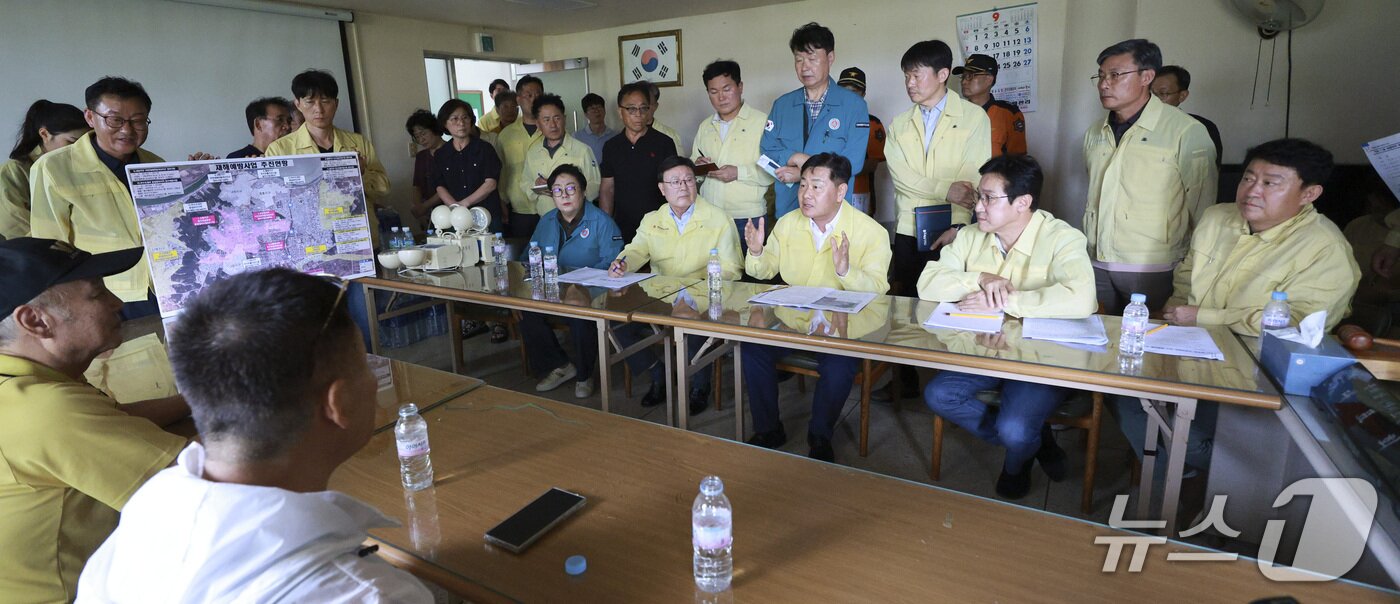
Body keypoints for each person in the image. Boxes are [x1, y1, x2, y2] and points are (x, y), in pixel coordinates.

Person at [77, 268, 432, 602]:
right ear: (337, 403)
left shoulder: (153, 502)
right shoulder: (369, 594)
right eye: (365, 366)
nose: (372, 381)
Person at [1118, 139, 1358, 514]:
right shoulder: (1218, 218)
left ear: (1309, 193)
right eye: (1249, 178)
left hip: (1254, 370)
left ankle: (1195, 479)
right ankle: (1184, 479)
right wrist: (1178, 305)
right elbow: (1185, 278)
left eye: (1271, 183)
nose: (1252, 191)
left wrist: (1205, 316)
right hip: (1187, 349)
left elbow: (1298, 324)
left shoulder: (1326, 250)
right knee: (1129, 394)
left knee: (1190, 426)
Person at [0, 237, 188, 602]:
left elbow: (113, 420)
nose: (117, 303)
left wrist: (195, 399)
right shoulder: (47, 410)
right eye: (97, 293)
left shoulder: (21, 385)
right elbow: (206, 490)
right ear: (35, 320)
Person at [918, 155, 1095, 499]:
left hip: (1040, 359)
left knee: (1014, 428)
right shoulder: (970, 236)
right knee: (939, 395)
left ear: (1023, 202)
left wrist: (1002, 301)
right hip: (982, 350)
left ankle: (1016, 462)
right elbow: (927, 284)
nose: (978, 206)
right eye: (978, 197)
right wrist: (981, 278)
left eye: (988, 198)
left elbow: (1082, 298)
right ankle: (1036, 442)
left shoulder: (1062, 238)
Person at [741, 153, 891, 462]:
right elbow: (764, 270)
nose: (806, 194)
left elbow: (878, 291)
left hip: (842, 328)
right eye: (803, 185)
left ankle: (820, 434)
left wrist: (845, 271)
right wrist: (756, 250)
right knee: (752, 345)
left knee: (840, 364)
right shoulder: (787, 223)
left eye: (816, 186)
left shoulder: (870, 232)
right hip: (792, 321)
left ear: (840, 192)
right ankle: (769, 428)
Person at [1083, 39, 1218, 314]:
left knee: (1147, 347)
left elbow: (1204, 210)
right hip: (1097, 260)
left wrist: (1190, 273)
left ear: (1147, 76)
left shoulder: (1185, 131)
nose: (1104, 84)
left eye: (1115, 75)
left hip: (1152, 267)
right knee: (1095, 345)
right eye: (1101, 75)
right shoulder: (1095, 131)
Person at [609, 156, 743, 412]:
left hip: (704, 296)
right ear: (662, 189)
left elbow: (732, 268)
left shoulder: (718, 218)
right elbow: (636, 249)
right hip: (661, 297)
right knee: (617, 323)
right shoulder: (652, 219)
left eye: (688, 180)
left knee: (692, 324)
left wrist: (697, 294)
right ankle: (657, 372)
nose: (683, 187)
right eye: (675, 182)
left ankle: (699, 386)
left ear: (696, 183)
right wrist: (623, 263)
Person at [29, 77, 166, 319]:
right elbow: (48, 242)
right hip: (103, 294)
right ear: (90, 117)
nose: (127, 130)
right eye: (115, 120)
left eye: (138, 121)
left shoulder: (156, 164)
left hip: (161, 289)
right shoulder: (53, 168)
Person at [516, 165, 634, 398]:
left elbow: (613, 261)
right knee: (526, 309)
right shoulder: (547, 220)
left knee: (580, 311)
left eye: (571, 188)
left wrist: (582, 282)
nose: (565, 195)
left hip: (594, 290)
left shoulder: (601, 221)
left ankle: (584, 374)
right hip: (554, 289)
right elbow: (528, 256)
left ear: (583, 191)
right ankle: (560, 366)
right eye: (558, 191)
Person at [885, 39, 992, 298]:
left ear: (942, 75)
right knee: (907, 304)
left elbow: (971, 177)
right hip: (908, 229)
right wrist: (944, 189)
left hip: (951, 228)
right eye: (906, 76)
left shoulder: (974, 117)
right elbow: (901, 177)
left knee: (949, 304)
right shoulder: (899, 124)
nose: (909, 83)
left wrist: (959, 226)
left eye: (916, 75)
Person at [760, 22, 870, 218]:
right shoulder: (782, 105)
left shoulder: (854, 106)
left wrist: (803, 173)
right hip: (788, 210)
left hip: (832, 214)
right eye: (799, 60)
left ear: (830, 57)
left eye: (811, 58)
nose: (805, 67)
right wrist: (794, 157)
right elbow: (767, 151)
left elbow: (853, 162)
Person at [265, 69, 390, 227]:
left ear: (336, 103)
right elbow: (274, 201)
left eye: (325, 101)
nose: (319, 109)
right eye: (310, 102)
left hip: (358, 236)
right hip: (312, 241)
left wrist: (361, 173)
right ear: (298, 104)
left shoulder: (358, 142)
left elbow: (383, 188)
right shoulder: (280, 149)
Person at [692, 60, 774, 251]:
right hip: (709, 216)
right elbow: (692, 169)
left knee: (751, 275)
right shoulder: (705, 126)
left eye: (727, 89)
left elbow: (773, 171)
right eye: (713, 92)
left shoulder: (761, 122)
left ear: (740, 87)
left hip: (747, 218)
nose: (721, 97)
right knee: (713, 274)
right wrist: (697, 166)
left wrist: (738, 173)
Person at [600, 82, 677, 241]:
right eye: (631, 109)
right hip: (623, 225)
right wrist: (606, 225)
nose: (638, 114)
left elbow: (674, 187)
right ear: (620, 112)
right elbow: (607, 189)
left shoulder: (664, 143)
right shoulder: (611, 147)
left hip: (659, 226)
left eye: (643, 108)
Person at [1, 100, 88, 239]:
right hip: (36, 253)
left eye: (85, 144)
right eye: (71, 142)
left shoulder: (82, 168)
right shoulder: (13, 172)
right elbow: (15, 226)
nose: (78, 150)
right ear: (45, 134)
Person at [430, 99, 504, 232]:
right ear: (445, 124)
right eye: (454, 119)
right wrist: (455, 207)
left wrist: (464, 204)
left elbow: (491, 183)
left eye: (465, 117)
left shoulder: (485, 149)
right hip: (455, 218)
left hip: (485, 215)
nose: (461, 123)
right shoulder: (441, 154)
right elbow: (439, 186)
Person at [520, 94, 600, 216]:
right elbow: (525, 183)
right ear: (538, 124)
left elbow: (594, 185)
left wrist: (569, 190)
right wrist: (536, 185)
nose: (553, 125)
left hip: (577, 219)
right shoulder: (533, 151)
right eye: (546, 120)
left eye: (557, 118)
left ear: (564, 118)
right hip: (546, 218)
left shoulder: (582, 150)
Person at [498, 76, 545, 238]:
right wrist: (502, 202)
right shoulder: (506, 135)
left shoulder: (553, 130)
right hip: (518, 209)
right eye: (529, 95)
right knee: (521, 258)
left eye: (538, 95)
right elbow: (501, 172)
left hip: (550, 207)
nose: (534, 99)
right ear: (518, 99)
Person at [954, 54, 1027, 158]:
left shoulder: (1008, 114)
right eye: (963, 76)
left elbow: (1018, 160)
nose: (964, 82)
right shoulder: (954, 111)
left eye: (970, 76)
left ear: (989, 80)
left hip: (994, 173)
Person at [836, 67, 885, 216]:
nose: (849, 96)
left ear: (863, 94)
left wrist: (833, 168)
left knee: (860, 236)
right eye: (844, 91)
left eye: (855, 92)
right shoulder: (826, 121)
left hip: (860, 193)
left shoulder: (873, 124)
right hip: (828, 191)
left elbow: (871, 165)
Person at [1151, 65, 1223, 165]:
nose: (1154, 99)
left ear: (1182, 96)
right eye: (1151, 93)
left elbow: (1205, 176)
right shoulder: (1136, 123)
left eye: (1163, 93)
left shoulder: (1201, 128)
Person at [406, 108, 446, 226]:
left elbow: (447, 186)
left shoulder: (451, 151)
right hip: (429, 214)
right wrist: (419, 209)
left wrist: (424, 206)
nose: (421, 139)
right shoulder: (421, 156)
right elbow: (416, 186)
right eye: (417, 136)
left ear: (434, 129)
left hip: (449, 209)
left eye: (423, 133)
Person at [226, 97, 293, 159]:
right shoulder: (236, 159)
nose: (288, 126)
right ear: (258, 124)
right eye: (280, 120)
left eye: (289, 121)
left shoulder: (293, 154)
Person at [645, 82, 685, 157]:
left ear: (655, 106)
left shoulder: (670, 135)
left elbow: (679, 166)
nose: (641, 109)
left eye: (647, 104)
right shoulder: (627, 134)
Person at [574, 92, 617, 163]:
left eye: (599, 107)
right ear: (585, 114)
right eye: (592, 108)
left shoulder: (615, 136)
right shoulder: (577, 137)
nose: (596, 111)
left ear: (605, 110)